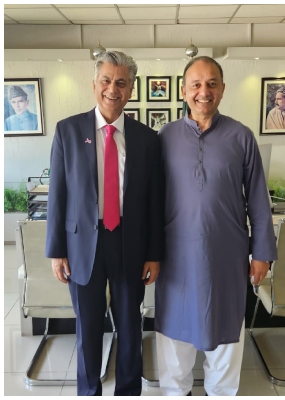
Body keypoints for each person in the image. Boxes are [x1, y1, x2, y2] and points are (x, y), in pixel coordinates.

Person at [155, 56, 277, 396]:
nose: (203, 92)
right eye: (195, 84)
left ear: (222, 89)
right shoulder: (165, 137)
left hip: (226, 255)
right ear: (183, 91)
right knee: (174, 335)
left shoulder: (241, 136)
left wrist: (262, 252)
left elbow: (257, 199)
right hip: (175, 255)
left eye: (211, 84)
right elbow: (150, 201)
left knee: (225, 336)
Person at [45, 51, 164, 396]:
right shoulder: (68, 130)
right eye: (107, 80)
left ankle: (128, 390)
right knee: (88, 328)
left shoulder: (147, 138)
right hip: (82, 244)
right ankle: (88, 391)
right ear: (95, 84)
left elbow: (154, 201)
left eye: (122, 82)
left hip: (130, 242)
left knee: (129, 327)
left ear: (131, 89)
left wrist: (154, 253)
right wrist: (56, 251)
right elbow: (58, 194)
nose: (114, 89)